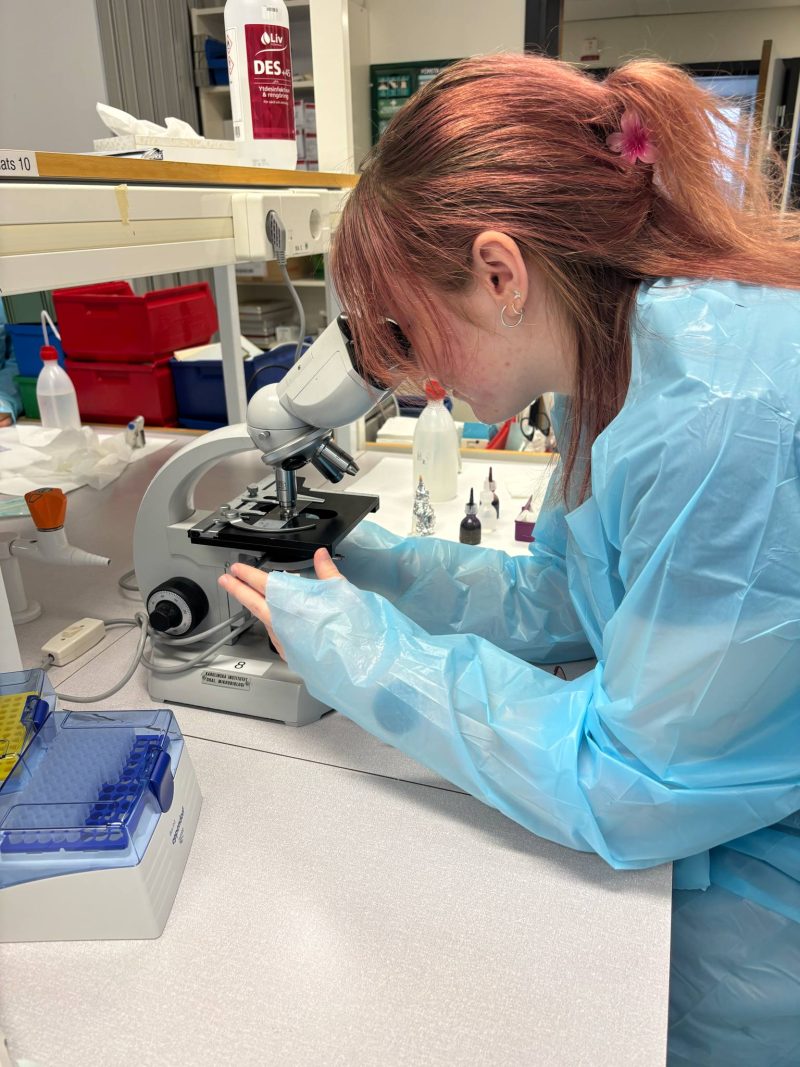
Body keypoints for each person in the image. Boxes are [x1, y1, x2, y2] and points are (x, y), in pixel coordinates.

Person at [220, 54, 800, 1065]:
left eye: (409, 329)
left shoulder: (716, 416)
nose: (414, 379)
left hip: (760, 936)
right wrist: (383, 567)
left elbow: (631, 782)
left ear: (499, 273)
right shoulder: (616, 358)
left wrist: (368, 655)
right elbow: (567, 599)